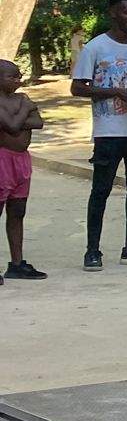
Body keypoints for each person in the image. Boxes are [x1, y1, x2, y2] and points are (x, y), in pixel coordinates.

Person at [72, 0, 127, 271]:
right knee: (101, 190)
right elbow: (77, 87)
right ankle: (92, 250)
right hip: (109, 131)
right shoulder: (96, 47)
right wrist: (114, 91)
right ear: (113, 13)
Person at [0, 59, 46, 279]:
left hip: (21, 160)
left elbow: (38, 122)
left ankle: (17, 263)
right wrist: (24, 111)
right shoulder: (23, 102)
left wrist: (19, 117)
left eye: (19, 76)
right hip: (2, 160)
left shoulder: (22, 98)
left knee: (17, 211)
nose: (18, 80)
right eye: (12, 77)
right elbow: (11, 126)